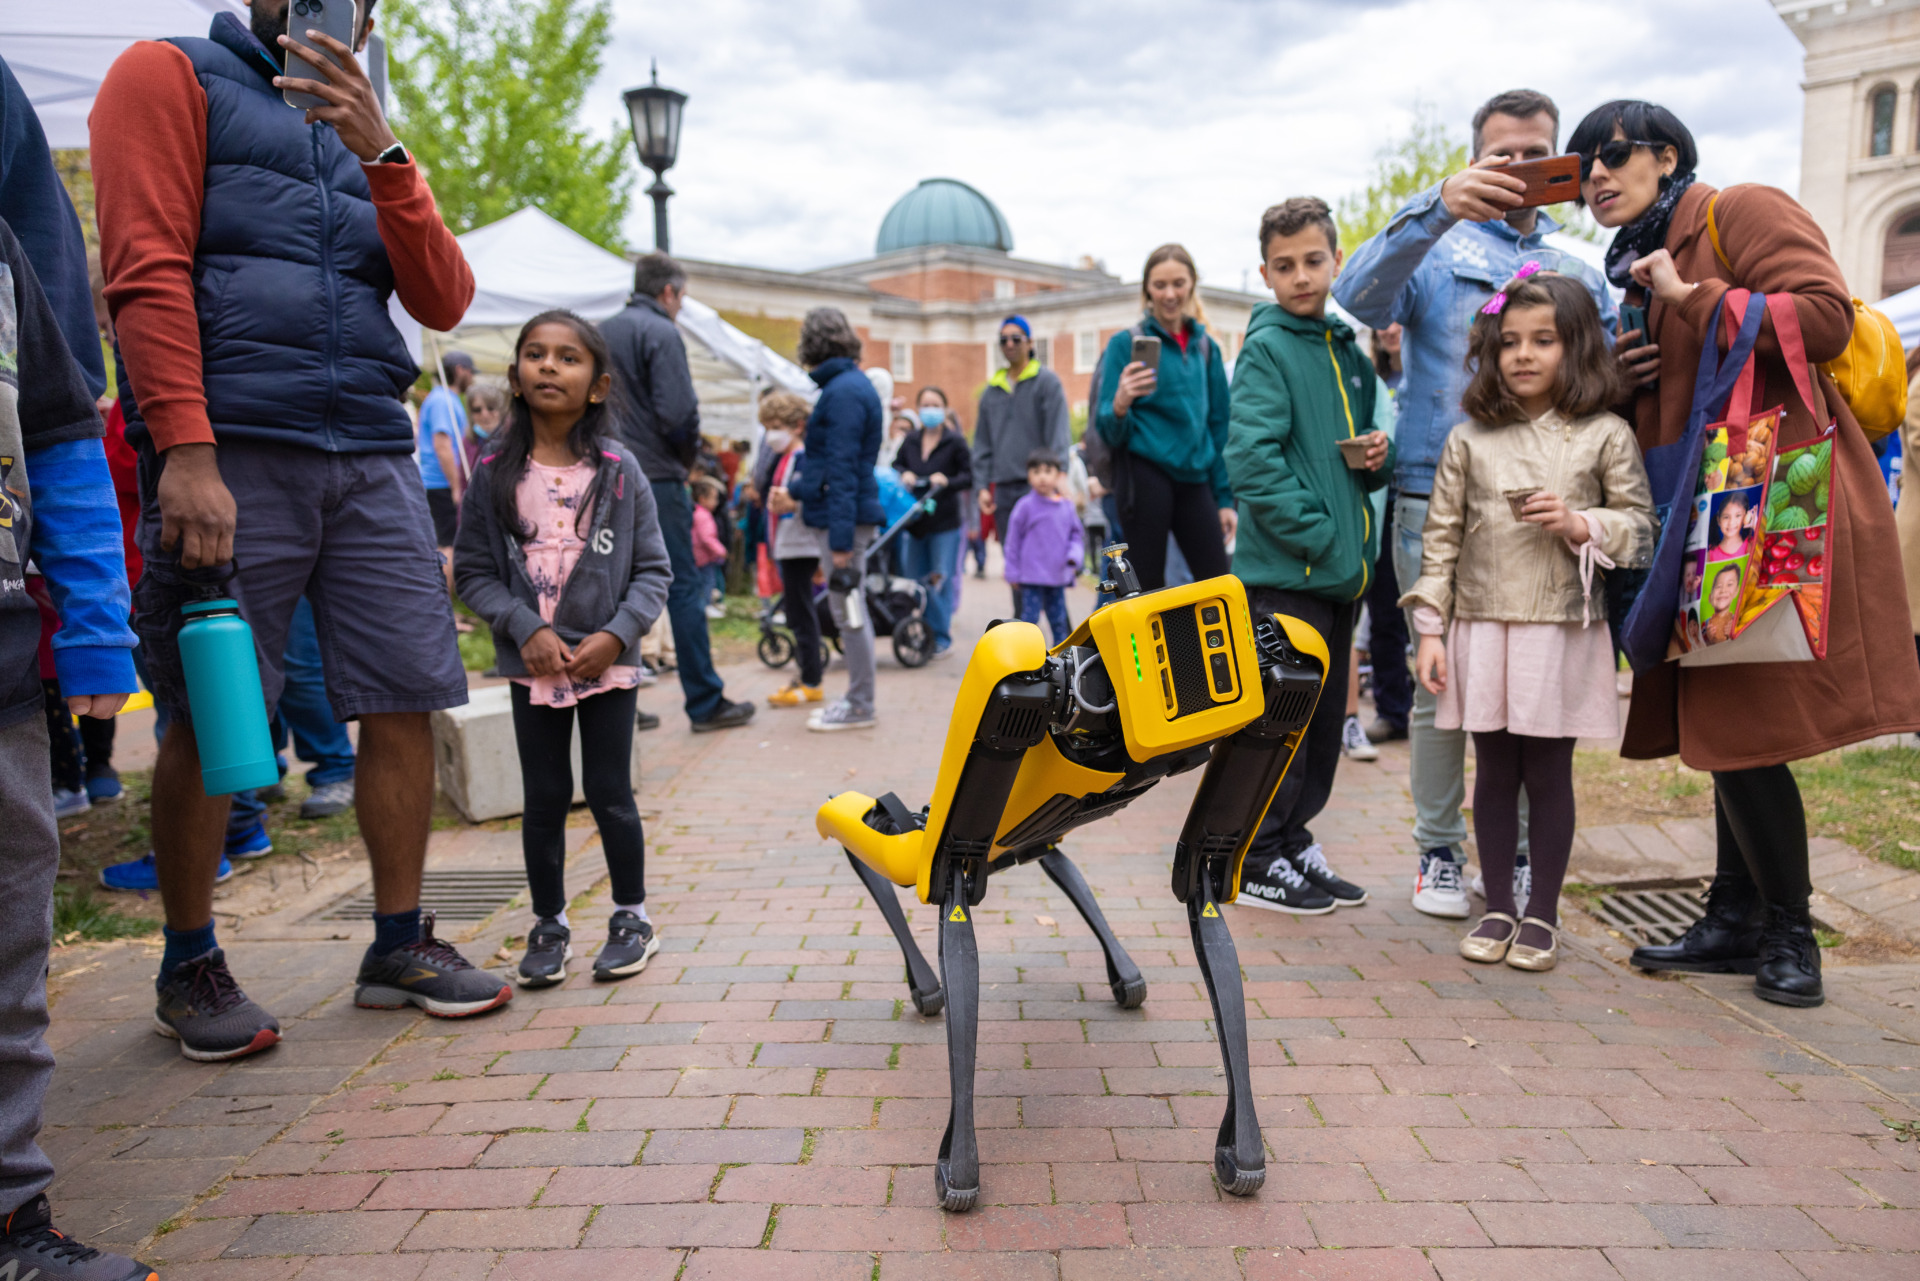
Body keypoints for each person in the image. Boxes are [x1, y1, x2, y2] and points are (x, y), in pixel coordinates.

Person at [93, 0, 509, 1060]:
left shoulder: (364, 122)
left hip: (370, 449)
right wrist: (184, 451)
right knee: (208, 706)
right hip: (234, 443)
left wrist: (386, 152)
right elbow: (142, 272)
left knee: (405, 691)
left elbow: (445, 297)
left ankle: (398, 942)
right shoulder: (166, 74)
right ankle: (190, 958)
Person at [1571, 99, 1920, 1006]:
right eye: (1584, 170)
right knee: (1725, 718)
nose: (1597, 176)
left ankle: (1789, 932)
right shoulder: (1636, 272)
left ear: (1667, 155)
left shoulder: (1741, 211)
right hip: (1699, 504)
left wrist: (1703, 302)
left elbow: (1829, 320)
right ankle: (1734, 914)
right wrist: (1621, 373)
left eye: (1612, 155)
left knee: (1744, 721)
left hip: (1767, 500)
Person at [1336, 88, 1620, 920]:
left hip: (1546, 506)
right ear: (1475, 159)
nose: (1525, 170)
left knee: (1532, 693)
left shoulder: (1578, 269)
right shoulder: (1436, 243)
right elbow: (1359, 295)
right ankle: (1437, 855)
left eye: (1541, 153)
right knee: (1439, 684)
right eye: (1505, 155)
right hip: (1434, 494)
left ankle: (1523, 860)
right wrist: (1433, 206)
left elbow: (1604, 386)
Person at [1404, 270, 1654, 973]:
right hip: (1482, 627)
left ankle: (1541, 910)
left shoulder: (1604, 433)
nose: (1523, 354)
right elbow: (1440, 539)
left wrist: (1580, 523)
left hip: (1559, 629)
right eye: (1508, 341)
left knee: (1548, 772)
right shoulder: (1469, 440)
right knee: (1492, 771)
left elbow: (1640, 528)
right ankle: (1497, 909)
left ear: (1575, 347)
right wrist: (1429, 628)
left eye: (1542, 339)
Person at [0, 195, 156, 1281]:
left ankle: (14, 1214)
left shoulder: (7, 252)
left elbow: (59, 436)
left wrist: (97, 632)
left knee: (13, 933)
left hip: (5, 650)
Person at [454, 311, 670, 988]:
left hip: (610, 663)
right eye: (535, 354)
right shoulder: (493, 468)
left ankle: (632, 917)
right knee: (544, 795)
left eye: (568, 357)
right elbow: (472, 572)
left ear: (598, 385)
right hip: (533, 668)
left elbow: (654, 570)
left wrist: (615, 635)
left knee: (611, 791)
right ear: (516, 375)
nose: (549, 365)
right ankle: (549, 921)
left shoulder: (619, 469)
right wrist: (525, 626)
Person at [1224, 198, 1389, 914]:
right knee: (1278, 726)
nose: (1300, 276)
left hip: (1338, 578)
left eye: (1312, 261)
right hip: (1287, 576)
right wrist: (1325, 536)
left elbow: (1350, 459)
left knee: (1320, 728)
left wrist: (1378, 463)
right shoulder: (1267, 348)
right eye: (1283, 265)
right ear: (1265, 272)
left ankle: (1293, 838)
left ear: (1337, 260)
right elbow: (1251, 463)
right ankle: (1253, 854)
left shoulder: (1346, 350)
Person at [601, 252, 755, 733]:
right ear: (668, 292)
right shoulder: (662, 332)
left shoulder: (601, 332)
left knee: (609, 587)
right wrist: (686, 460)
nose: (681, 306)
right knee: (681, 584)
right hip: (656, 476)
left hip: (604, 472)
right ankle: (705, 701)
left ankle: (614, 698)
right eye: (682, 298)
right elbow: (679, 412)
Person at [1094, 245, 1236, 592]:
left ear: (1191, 284)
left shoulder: (1207, 348)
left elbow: (1219, 426)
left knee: (1219, 584)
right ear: (1147, 290)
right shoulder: (1123, 344)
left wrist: (1225, 500)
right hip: (1146, 478)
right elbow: (1106, 428)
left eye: (1178, 283)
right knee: (1146, 591)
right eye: (1159, 285)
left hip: (1196, 478)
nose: (1169, 294)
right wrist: (1121, 403)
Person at [787, 307, 884, 731]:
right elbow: (834, 465)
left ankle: (860, 703)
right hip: (843, 514)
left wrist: (842, 542)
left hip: (843, 521)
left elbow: (842, 468)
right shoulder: (849, 387)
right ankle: (859, 700)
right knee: (850, 608)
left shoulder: (842, 392)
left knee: (849, 609)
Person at [974, 316, 1071, 607]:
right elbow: (981, 444)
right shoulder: (991, 390)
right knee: (1015, 563)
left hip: (1040, 489)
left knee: (1047, 563)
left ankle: (1060, 635)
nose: (1010, 344)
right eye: (1003, 340)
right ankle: (1024, 634)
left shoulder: (1047, 382)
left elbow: (1059, 433)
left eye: (1016, 338)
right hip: (1004, 489)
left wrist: (1059, 475)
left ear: (1030, 342)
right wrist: (981, 485)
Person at [893, 385, 973, 657]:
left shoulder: (955, 442)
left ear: (945, 408)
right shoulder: (911, 440)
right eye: (925, 404)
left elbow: (968, 476)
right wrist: (904, 474)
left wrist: (946, 481)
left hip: (944, 522)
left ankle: (941, 637)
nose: (930, 409)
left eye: (935, 404)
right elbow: (897, 464)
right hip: (914, 521)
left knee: (939, 578)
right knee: (915, 580)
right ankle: (922, 633)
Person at [760, 392, 828, 707]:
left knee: (802, 615)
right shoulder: (784, 458)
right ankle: (805, 675)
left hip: (801, 546)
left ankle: (811, 680)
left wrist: (788, 501)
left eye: (776, 425)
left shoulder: (803, 458)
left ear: (796, 425)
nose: (771, 433)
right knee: (797, 614)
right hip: (788, 546)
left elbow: (807, 498)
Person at [1002, 449, 1083, 644]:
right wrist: (1012, 572)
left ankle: (1061, 661)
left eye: (1048, 471)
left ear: (1058, 475)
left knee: (1059, 622)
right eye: (1036, 472)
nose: (1042, 477)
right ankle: (1027, 661)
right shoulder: (1025, 506)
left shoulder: (1067, 507)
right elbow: (1013, 541)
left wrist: (1074, 557)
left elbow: (1077, 536)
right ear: (1029, 476)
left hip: (1057, 577)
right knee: (1029, 623)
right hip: (1030, 578)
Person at [420, 350, 473, 602]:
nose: (472, 379)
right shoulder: (443, 400)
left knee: (444, 543)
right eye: (471, 373)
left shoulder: (444, 399)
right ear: (461, 370)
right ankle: (444, 613)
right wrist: (455, 486)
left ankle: (444, 610)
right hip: (440, 482)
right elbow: (442, 444)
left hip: (439, 482)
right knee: (448, 545)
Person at [691, 477, 729, 619]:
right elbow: (707, 538)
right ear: (702, 499)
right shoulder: (703, 515)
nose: (716, 503)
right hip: (703, 558)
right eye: (713, 498)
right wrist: (721, 551)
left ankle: (706, 605)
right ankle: (705, 606)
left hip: (699, 557)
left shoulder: (697, 513)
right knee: (707, 583)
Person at [464, 375, 506, 474]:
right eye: (477, 410)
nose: (484, 414)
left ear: (500, 410)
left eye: (491, 408)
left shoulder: (513, 441)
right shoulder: (467, 442)